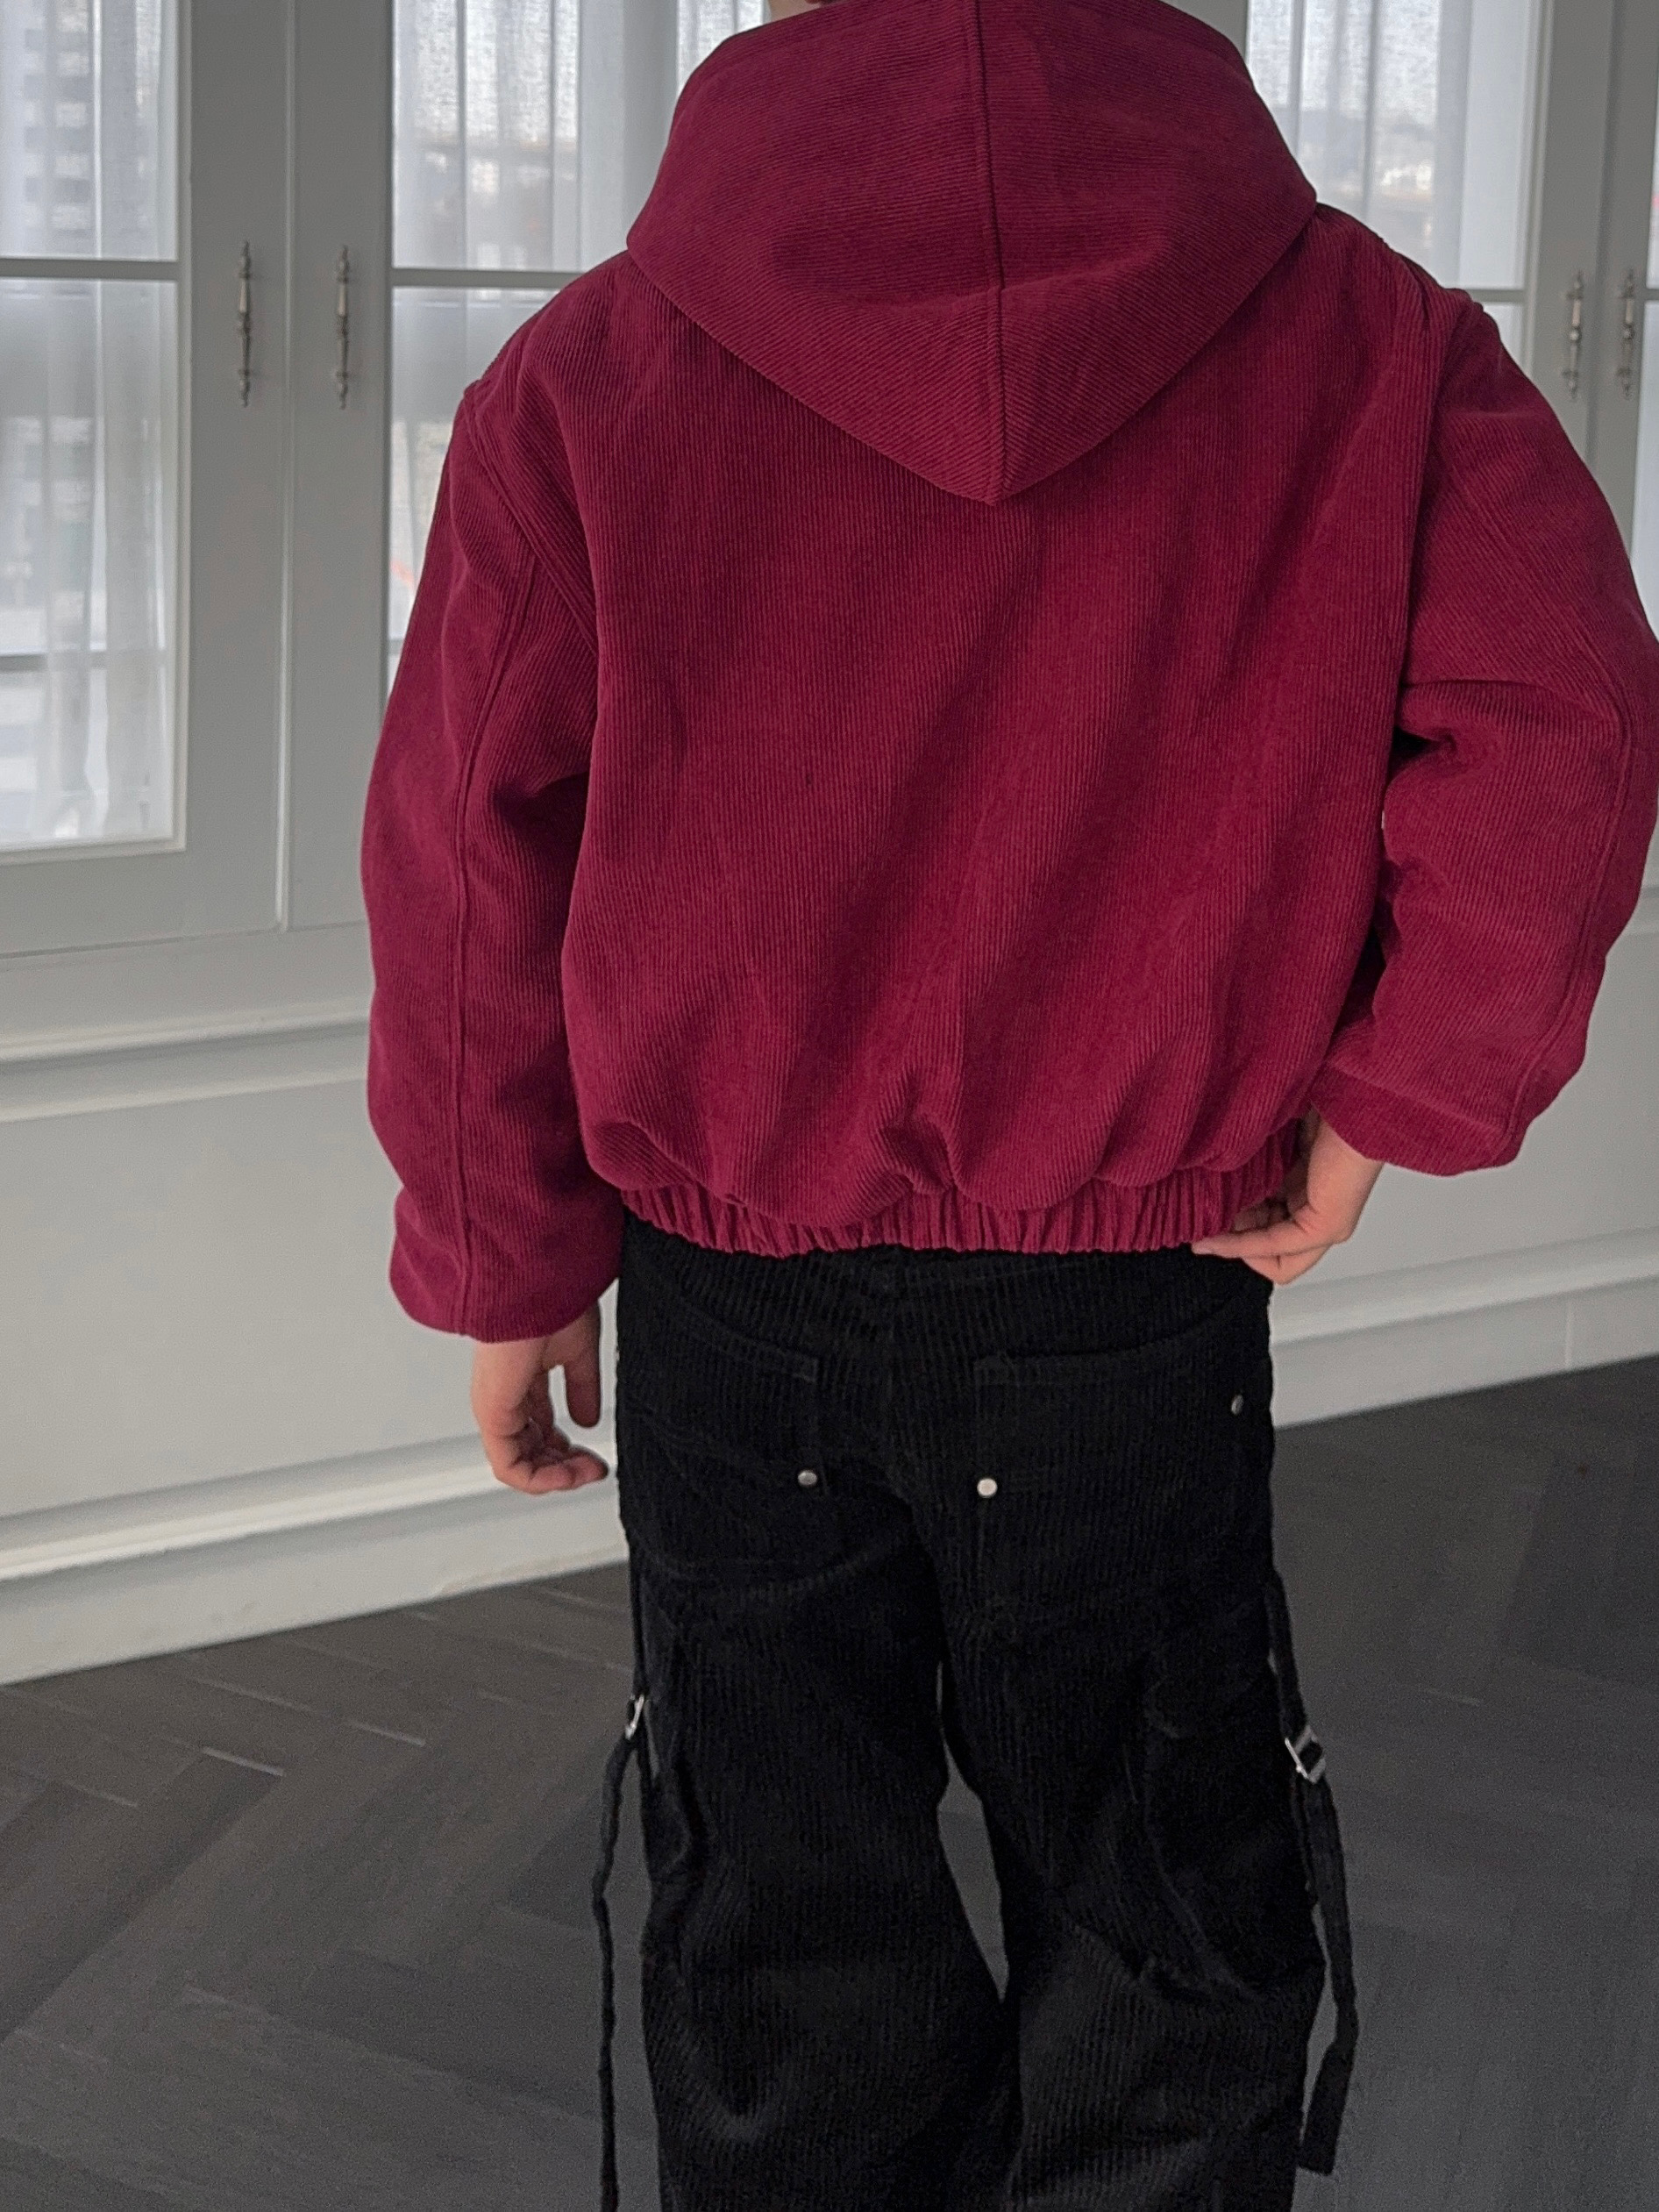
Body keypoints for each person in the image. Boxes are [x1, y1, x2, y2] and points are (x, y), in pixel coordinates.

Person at [359, 0, 1659, 2204]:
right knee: (1161, 1906)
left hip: (736, 1307)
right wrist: (1391, 1102)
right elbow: (1571, 721)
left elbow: (469, 856)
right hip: (1129, 1301)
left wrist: (509, 1255)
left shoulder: (584, 375)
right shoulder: (1380, 342)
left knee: (783, 1922)